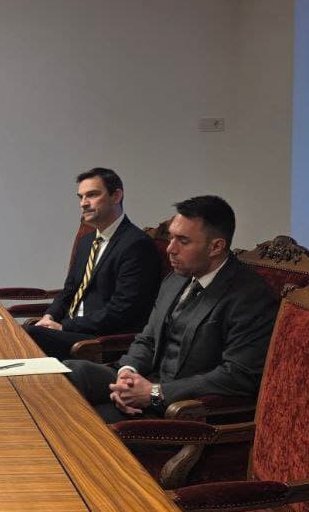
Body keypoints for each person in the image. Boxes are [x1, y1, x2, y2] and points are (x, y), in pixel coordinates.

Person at [63, 195, 278, 422]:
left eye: (183, 241)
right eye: (171, 237)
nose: (170, 249)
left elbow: (237, 376)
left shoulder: (250, 296)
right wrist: (128, 373)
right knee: (68, 373)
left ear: (216, 246)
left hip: (183, 407)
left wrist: (154, 393)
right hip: (146, 380)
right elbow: (147, 339)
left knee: (83, 420)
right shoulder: (175, 279)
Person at [25, 168, 162, 360]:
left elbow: (123, 310)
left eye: (92, 195)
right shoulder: (86, 242)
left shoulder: (136, 244)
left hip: (102, 340)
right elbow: (69, 290)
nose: (83, 203)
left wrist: (64, 326)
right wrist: (50, 316)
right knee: (20, 331)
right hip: (72, 330)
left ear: (116, 196)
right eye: (81, 197)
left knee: (28, 336)